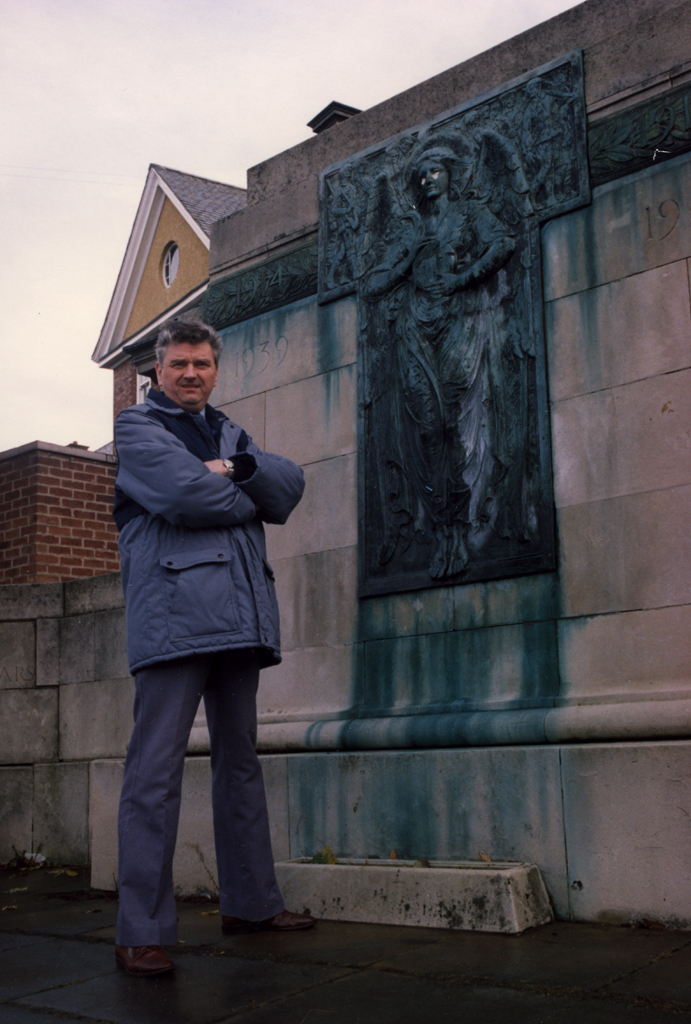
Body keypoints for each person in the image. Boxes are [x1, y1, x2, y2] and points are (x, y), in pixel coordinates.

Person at [111, 318, 314, 978]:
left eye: (201, 363)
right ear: (158, 371)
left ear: (215, 370)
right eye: (178, 365)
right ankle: (140, 929)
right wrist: (244, 492)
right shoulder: (138, 428)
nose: (190, 373)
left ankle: (252, 904)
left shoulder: (229, 433)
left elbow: (286, 487)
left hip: (239, 618)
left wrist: (235, 470)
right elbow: (181, 494)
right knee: (154, 775)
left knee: (241, 764)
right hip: (174, 620)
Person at [361, 141, 516, 579]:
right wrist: (409, 259)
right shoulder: (410, 228)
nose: (428, 178)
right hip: (414, 328)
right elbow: (371, 287)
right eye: (422, 173)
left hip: (459, 323)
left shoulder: (468, 213)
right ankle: (442, 529)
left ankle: (464, 527)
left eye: (435, 171)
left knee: (456, 425)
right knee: (428, 427)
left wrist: (462, 279)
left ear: (451, 174)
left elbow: (504, 242)